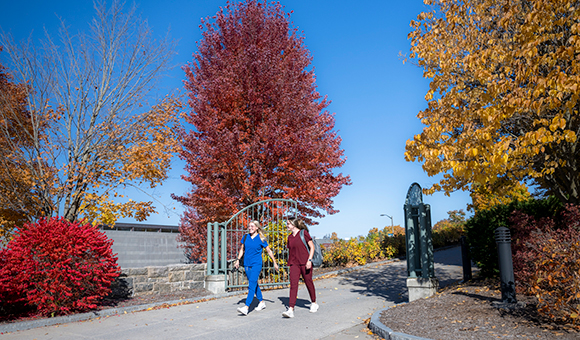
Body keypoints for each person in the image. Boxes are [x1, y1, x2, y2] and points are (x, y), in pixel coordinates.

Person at [234, 220, 279, 316]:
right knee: (254, 283)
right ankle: (262, 302)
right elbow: (242, 249)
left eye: (252, 226)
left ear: (257, 227)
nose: (250, 228)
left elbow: (269, 251)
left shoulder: (261, 238)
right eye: (249, 226)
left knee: (251, 284)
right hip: (247, 264)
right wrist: (238, 260)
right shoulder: (245, 237)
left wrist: (274, 262)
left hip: (256, 264)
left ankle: (246, 307)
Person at [282, 217, 318, 318]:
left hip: (305, 262)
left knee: (308, 282)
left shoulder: (303, 233)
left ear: (293, 224)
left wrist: (309, 260)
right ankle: (290, 309)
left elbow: (312, 247)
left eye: (288, 223)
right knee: (293, 285)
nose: (287, 225)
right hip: (294, 263)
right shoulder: (289, 237)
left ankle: (314, 303)